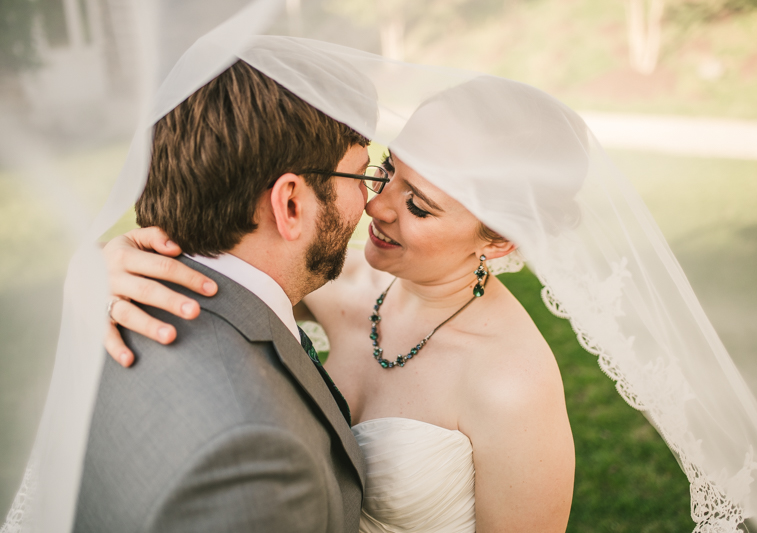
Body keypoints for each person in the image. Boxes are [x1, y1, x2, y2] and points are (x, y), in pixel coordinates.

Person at [102, 76, 578, 533]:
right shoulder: (339, 282)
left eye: (418, 205)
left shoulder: (511, 382)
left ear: (498, 242)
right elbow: (232, 275)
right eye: (388, 171)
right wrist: (115, 262)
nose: (376, 206)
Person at [71, 58, 378, 532]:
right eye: (360, 177)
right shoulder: (256, 458)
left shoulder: (103, 303)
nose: (372, 201)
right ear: (290, 203)